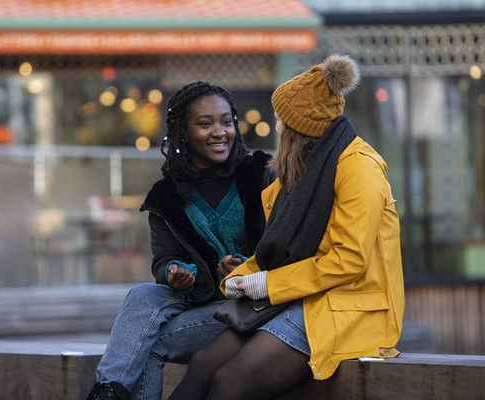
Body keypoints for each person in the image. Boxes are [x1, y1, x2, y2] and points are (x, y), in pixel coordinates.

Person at [167, 55, 405, 400]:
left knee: (230, 382)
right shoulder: (305, 169)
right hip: (299, 297)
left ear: (298, 128)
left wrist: (266, 283)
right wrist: (236, 279)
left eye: (281, 120)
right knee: (204, 363)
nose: (276, 128)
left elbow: (349, 260)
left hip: (346, 307)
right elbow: (279, 249)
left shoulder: (359, 168)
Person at [86, 81, 275, 400]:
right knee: (145, 293)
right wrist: (176, 273)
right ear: (183, 133)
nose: (220, 131)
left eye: (226, 121)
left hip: (249, 305)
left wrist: (245, 266)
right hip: (197, 301)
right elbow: (162, 263)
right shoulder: (166, 198)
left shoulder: (261, 174)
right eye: (205, 123)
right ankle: (108, 391)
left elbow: (283, 245)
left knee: (146, 345)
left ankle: (109, 388)